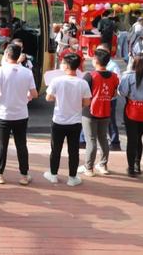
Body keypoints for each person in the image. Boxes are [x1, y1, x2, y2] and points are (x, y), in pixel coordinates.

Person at [0, 44, 38, 185]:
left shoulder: (0, 71)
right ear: (18, 55)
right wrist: (26, 95)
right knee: (21, 144)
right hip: (21, 114)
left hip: (3, 114)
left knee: (2, 145)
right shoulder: (27, 72)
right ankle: (24, 175)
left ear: (6, 55)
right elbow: (34, 93)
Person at [44, 53, 92, 187]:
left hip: (58, 120)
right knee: (73, 150)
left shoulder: (57, 81)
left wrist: (59, 99)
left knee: (56, 149)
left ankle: (53, 175)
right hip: (75, 122)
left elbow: (48, 98)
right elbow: (87, 102)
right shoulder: (82, 83)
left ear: (66, 65)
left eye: (62, 62)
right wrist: (76, 103)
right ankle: (72, 177)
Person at [77, 49, 119, 177]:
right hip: (106, 110)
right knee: (103, 139)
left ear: (95, 60)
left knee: (91, 139)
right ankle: (103, 165)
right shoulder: (114, 76)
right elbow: (113, 94)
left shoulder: (90, 76)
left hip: (90, 111)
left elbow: (83, 95)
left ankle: (88, 167)